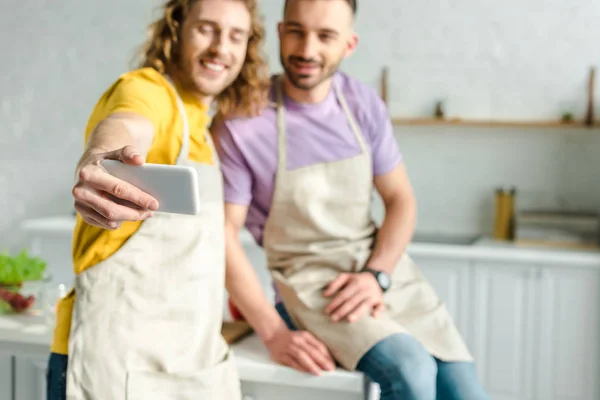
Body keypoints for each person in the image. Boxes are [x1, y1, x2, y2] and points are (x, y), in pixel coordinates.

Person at [211, 0, 491, 399]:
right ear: (279, 31)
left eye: (325, 36)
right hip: (308, 287)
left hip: (380, 273)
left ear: (349, 43)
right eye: (296, 31)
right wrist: (272, 332)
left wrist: (377, 275)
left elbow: (400, 200)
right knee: (411, 371)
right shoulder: (242, 120)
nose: (307, 50)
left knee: (467, 392)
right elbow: (223, 234)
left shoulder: (363, 104)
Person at [45, 0, 269, 399]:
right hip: (115, 366)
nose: (221, 47)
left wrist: (276, 332)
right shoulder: (145, 89)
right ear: (177, 29)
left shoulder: (204, 125)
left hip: (190, 366)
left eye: (236, 35)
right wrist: (102, 157)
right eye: (206, 29)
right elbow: (127, 123)